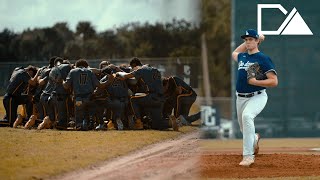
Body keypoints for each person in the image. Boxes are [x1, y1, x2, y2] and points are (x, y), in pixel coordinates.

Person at [232, 29, 278, 166]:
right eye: (246, 40)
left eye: (251, 39)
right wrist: (255, 41)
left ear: (257, 41)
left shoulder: (263, 58)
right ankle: (255, 138)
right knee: (243, 129)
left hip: (257, 96)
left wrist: (256, 82)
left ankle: (248, 156)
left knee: (247, 117)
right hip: (240, 98)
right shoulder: (242, 57)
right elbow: (234, 53)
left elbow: (274, 81)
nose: (247, 42)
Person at [116, 57, 178, 131]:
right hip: (160, 99)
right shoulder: (156, 70)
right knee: (156, 124)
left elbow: (125, 76)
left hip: (152, 97)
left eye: (133, 68)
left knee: (133, 100)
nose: (133, 70)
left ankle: (139, 123)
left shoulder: (141, 70)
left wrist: (118, 72)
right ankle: (170, 123)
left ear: (135, 65)